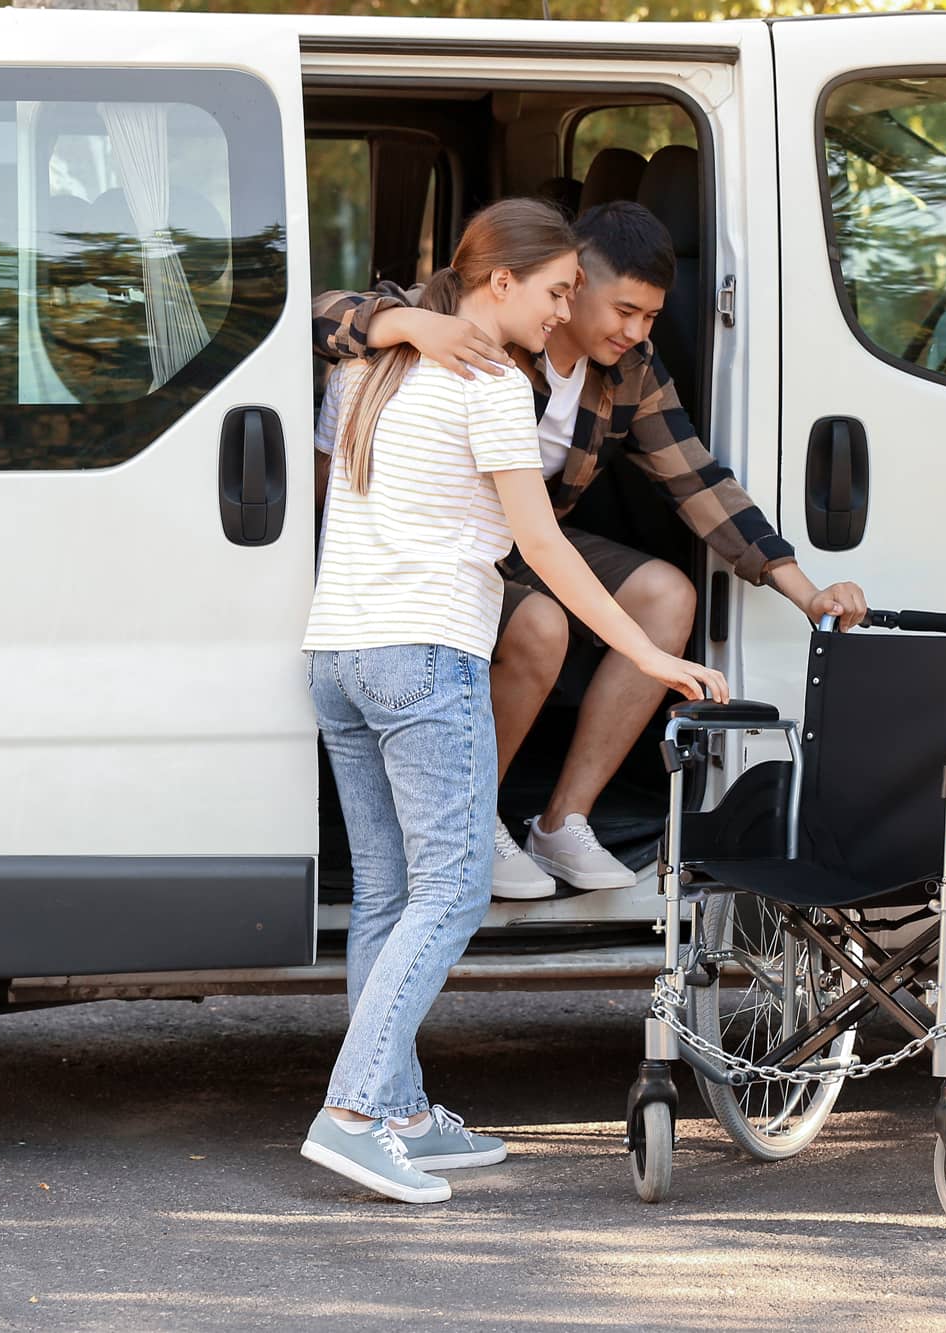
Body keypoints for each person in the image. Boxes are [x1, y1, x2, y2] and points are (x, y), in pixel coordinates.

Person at [299, 198, 728, 1205]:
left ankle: (397, 1106)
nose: (563, 311)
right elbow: (541, 547)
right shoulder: (492, 382)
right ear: (498, 283)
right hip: (423, 653)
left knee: (389, 891)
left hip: (339, 654)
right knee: (448, 890)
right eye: (554, 291)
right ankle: (353, 1112)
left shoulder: (370, 365)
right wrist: (648, 654)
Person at [313, 201, 868, 900]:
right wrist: (406, 323)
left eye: (652, 318)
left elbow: (698, 481)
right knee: (541, 626)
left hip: (531, 534)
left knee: (669, 593)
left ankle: (562, 818)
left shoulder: (630, 369)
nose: (637, 333)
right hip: (455, 542)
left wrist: (805, 591)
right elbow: (320, 314)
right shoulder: (479, 320)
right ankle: (474, 817)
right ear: (571, 281)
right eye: (625, 309)